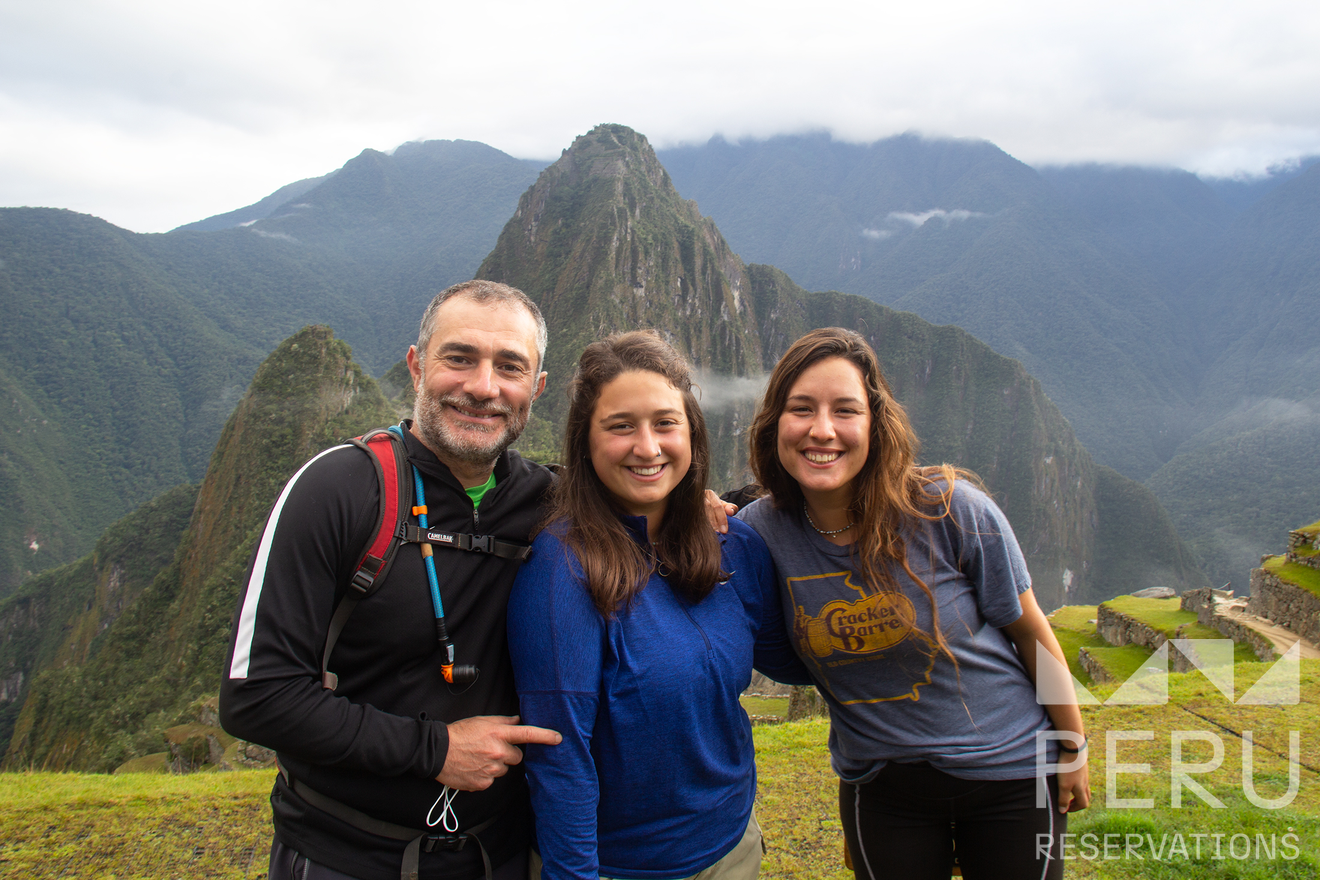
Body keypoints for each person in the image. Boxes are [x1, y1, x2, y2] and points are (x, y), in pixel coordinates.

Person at [221, 280, 565, 880]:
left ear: (535, 388)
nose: (483, 387)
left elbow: (658, 506)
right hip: (345, 854)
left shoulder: (552, 503)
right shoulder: (341, 491)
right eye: (459, 358)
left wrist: (714, 508)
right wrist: (435, 751)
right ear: (416, 364)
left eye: (509, 367)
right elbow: (257, 697)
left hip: (501, 852)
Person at [734, 327, 1089, 880]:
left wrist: (1073, 746)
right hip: (883, 788)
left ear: (876, 425)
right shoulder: (759, 533)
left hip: (1012, 774)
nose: (821, 430)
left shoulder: (948, 511)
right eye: (801, 408)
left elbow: (1030, 634)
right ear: (775, 423)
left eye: (845, 410)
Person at [506, 331, 810, 880]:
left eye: (666, 423)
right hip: (620, 865)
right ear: (586, 441)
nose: (647, 447)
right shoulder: (564, 566)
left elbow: (796, 659)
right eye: (621, 426)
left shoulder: (734, 547)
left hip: (733, 844)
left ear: (692, 431)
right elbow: (559, 756)